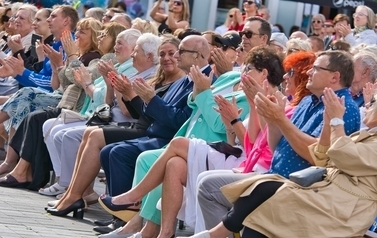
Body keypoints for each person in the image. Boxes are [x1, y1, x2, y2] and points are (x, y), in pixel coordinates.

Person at [195, 50, 361, 232]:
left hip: (301, 190)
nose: (307, 73)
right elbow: (277, 149)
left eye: (315, 69)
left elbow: (317, 156)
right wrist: (273, 120)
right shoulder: (307, 101)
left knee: (209, 187)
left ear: (334, 77)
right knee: (208, 185)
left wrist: (279, 119)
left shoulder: (344, 108)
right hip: (273, 177)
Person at [0, 6, 102, 191]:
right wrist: (53, 66)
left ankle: (13, 165)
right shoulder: (59, 44)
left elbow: (58, 83)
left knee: (26, 96)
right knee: (24, 99)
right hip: (57, 96)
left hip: (68, 103)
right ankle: (15, 166)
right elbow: (55, 81)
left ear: (66, 21)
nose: (44, 21)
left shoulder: (72, 46)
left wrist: (22, 67)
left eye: (50, 17)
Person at [38, 23, 128, 197]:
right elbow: (65, 81)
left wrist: (71, 56)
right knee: (47, 125)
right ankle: (63, 181)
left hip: (93, 113)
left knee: (59, 131)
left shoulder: (106, 59)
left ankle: (71, 185)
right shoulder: (99, 58)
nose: (101, 36)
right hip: (88, 110)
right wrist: (62, 63)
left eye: (105, 34)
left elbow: (77, 80)